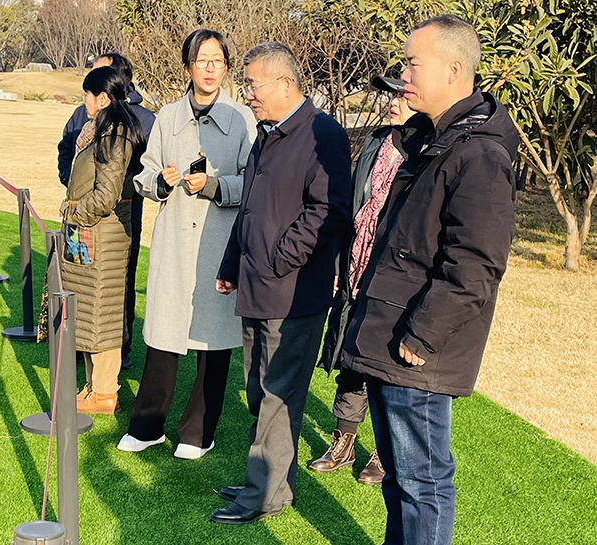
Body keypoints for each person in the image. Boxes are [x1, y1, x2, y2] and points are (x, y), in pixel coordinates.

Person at [340, 15, 518, 544]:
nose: (404, 74)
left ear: (454, 70)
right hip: (387, 331)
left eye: (413, 63)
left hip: (416, 348)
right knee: (400, 477)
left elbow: (477, 263)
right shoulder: (431, 139)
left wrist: (422, 335)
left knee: (423, 481)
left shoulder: (480, 153)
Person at [211, 41, 352, 524]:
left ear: (285, 83)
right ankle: (274, 483)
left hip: (292, 295)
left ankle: (263, 495)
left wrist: (277, 260)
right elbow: (250, 207)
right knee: (260, 391)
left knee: (276, 396)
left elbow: (328, 212)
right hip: (256, 286)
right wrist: (231, 265)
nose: (247, 94)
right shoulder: (267, 133)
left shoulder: (323, 134)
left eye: (253, 84)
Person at [116, 29, 257, 459]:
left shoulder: (242, 120)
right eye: (202, 60)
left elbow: (254, 181)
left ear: (226, 67)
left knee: (213, 342)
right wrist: (160, 182)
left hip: (219, 242)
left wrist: (214, 186)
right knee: (164, 333)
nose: (210, 69)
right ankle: (147, 426)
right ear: (187, 67)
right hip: (175, 240)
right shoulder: (167, 116)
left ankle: (198, 431)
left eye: (218, 61)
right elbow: (145, 173)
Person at [309, 75, 415, 485]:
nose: (393, 102)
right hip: (357, 265)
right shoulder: (376, 141)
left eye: (402, 95)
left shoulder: (427, 149)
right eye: (391, 95)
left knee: (387, 365)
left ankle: (384, 452)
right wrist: (341, 264)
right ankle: (343, 442)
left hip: (396, 277)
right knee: (350, 355)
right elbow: (355, 204)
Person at [57, 53, 155, 370]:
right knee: (85, 297)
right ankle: (91, 376)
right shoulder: (88, 121)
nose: (85, 97)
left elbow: (107, 195)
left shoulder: (125, 128)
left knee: (106, 301)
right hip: (86, 225)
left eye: (90, 89)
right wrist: (71, 188)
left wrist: (74, 212)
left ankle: (106, 380)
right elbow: (68, 153)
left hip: (106, 226)